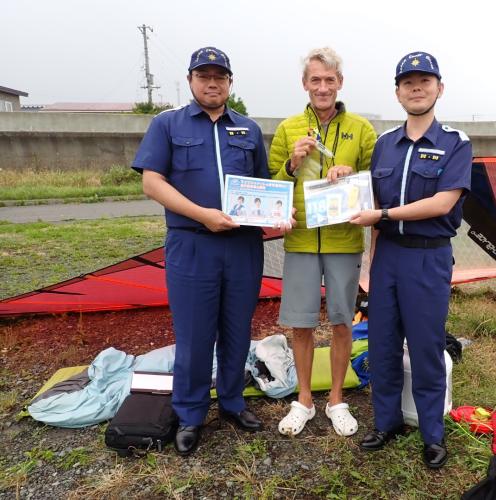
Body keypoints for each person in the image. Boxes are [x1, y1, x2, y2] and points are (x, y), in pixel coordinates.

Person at [132, 46, 286, 456]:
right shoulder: (167, 124)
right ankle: (191, 414)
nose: (212, 82)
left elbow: (262, 186)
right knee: (195, 334)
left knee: (237, 330)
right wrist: (203, 215)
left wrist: (278, 213)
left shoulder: (248, 129)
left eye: (220, 76)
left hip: (242, 246)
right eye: (204, 76)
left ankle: (233, 402)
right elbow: (152, 183)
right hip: (192, 244)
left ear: (230, 82)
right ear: (191, 81)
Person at [349, 51, 472, 468]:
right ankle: (385, 422)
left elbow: (442, 203)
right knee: (381, 344)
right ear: (398, 91)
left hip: (428, 259)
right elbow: (368, 204)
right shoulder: (384, 145)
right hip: (387, 260)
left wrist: (382, 215)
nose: (416, 88)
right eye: (408, 82)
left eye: (424, 81)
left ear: (440, 88)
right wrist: (369, 266)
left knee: (425, 345)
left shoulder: (455, 143)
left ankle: (432, 432)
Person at [269, 47, 377, 437]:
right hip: (300, 240)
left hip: (344, 239)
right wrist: (292, 164)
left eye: (329, 79)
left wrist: (352, 173)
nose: (322, 87)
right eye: (315, 79)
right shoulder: (287, 128)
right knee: (300, 323)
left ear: (340, 83)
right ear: (305, 84)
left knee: (341, 321)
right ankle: (304, 400)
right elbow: (273, 188)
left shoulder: (362, 129)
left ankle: (335, 400)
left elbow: (373, 181)